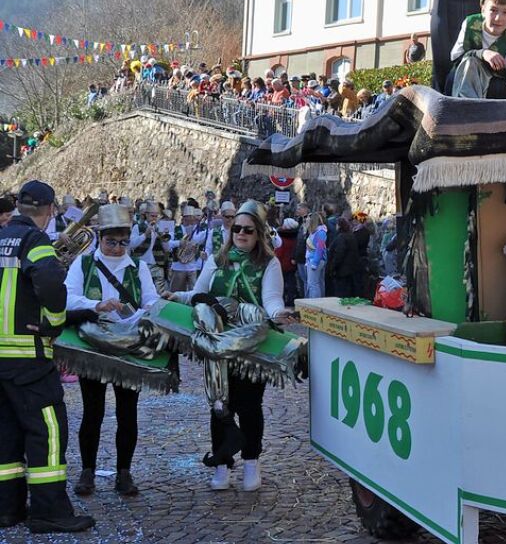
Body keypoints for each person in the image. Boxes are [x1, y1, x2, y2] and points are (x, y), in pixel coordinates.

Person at [168, 199, 288, 491]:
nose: (241, 234)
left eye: (248, 230)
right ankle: (222, 464)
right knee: (219, 404)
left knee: (249, 406)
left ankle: (251, 462)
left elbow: (271, 298)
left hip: (251, 345)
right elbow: (200, 293)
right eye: (237, 229)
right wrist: (178, 297)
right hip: (219, 341)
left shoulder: (269, 263)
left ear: (259, 233)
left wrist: (277, 313)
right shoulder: (217, 259)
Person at [0, 180, 94, 533]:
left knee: (6, 432)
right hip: (28, 354)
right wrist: (53, 324)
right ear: (50, 209)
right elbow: (51, 284)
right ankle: (49, 510)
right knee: (48, 432)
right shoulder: (34, 240)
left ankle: (7, 508)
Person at [66, 204, 160, 498]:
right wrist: (96, 305)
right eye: (111, 242)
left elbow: (152, 301)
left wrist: (143, 311)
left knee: (127, 412)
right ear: (100, 238)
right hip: (92, 345)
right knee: (92, 411)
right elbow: (68, 298)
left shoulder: (139, 267)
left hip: (127, 345)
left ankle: (124, 472)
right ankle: (87, 471)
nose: (118, 248)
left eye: (123, 242)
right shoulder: (83, 264)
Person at [304, 213, 329, 298]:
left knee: (313, 284)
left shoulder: (320, 233)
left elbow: (320, 248)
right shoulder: (315, 232)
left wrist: (314, 263)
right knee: (318, 283)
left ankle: (315, 303)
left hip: (315, 260)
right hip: (313, 259)